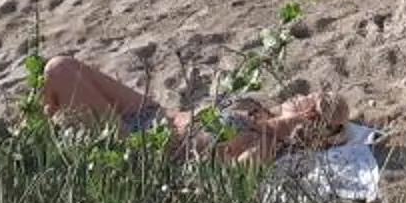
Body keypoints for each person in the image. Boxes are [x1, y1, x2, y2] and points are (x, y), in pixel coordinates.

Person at [38, 55, 349, 161]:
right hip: (154, 115)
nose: (301, 94)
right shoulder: (261, 112)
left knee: (58, 70)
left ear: (309, 114)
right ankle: (35, 139)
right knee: (61, 71)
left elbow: (231, 181)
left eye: (308, 97)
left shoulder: (266, 144)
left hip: (141, 146)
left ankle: (35, 147)